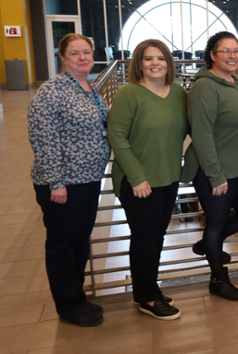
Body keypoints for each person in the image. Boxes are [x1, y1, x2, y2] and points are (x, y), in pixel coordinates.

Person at [28, 33, 111, 327]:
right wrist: (55, 182)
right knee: (63, 245)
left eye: (86, 52)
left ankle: (76, 296)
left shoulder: (90, 88)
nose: (83, 58)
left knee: (79, 242)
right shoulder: (52, 92)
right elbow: (43, 138)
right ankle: (67, 305)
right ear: (63, 58)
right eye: (75, 53)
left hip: (88, 180)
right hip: (63, 184)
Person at [181, 31, 238, 300]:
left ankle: (209, 244)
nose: (232, 55)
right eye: (225, 50)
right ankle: (218, 279)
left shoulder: (236, 80)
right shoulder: (205, 87)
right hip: (212, 168)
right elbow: (201, 135)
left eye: (236, 50)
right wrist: (216, 176)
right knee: (216, 222)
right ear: (212, 55)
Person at [107, 39, 187, 320]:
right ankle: (146, 298)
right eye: (148, 58)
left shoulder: (178, 92)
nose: (155, 63)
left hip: (167, 176)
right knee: (145, 237)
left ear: (169, 63)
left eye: (161, 58)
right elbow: (116, 136)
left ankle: (148, 287)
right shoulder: (128, 94)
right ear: (138, 64)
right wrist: (137, 177)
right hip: (138, 181)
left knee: (157, 236)